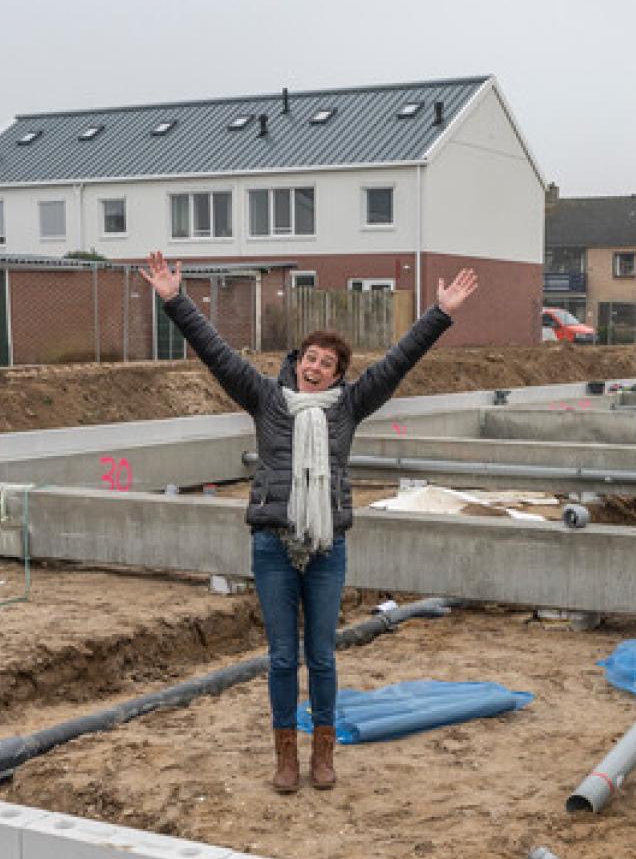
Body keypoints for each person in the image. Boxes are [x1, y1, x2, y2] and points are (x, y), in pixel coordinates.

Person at [139, 251, 478, 793]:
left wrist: (439, 312)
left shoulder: (349, 407)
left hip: (326, 547)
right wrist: (175, 300)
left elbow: (399, 361)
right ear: (297, 362)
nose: (314, 366)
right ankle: (285, 756)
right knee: (280, 657)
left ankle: (323, 754)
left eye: (326, 362)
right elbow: (216, 354)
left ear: (338, 375)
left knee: (321, 655)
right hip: (272, 545)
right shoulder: (266, 399)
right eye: (309, 358)